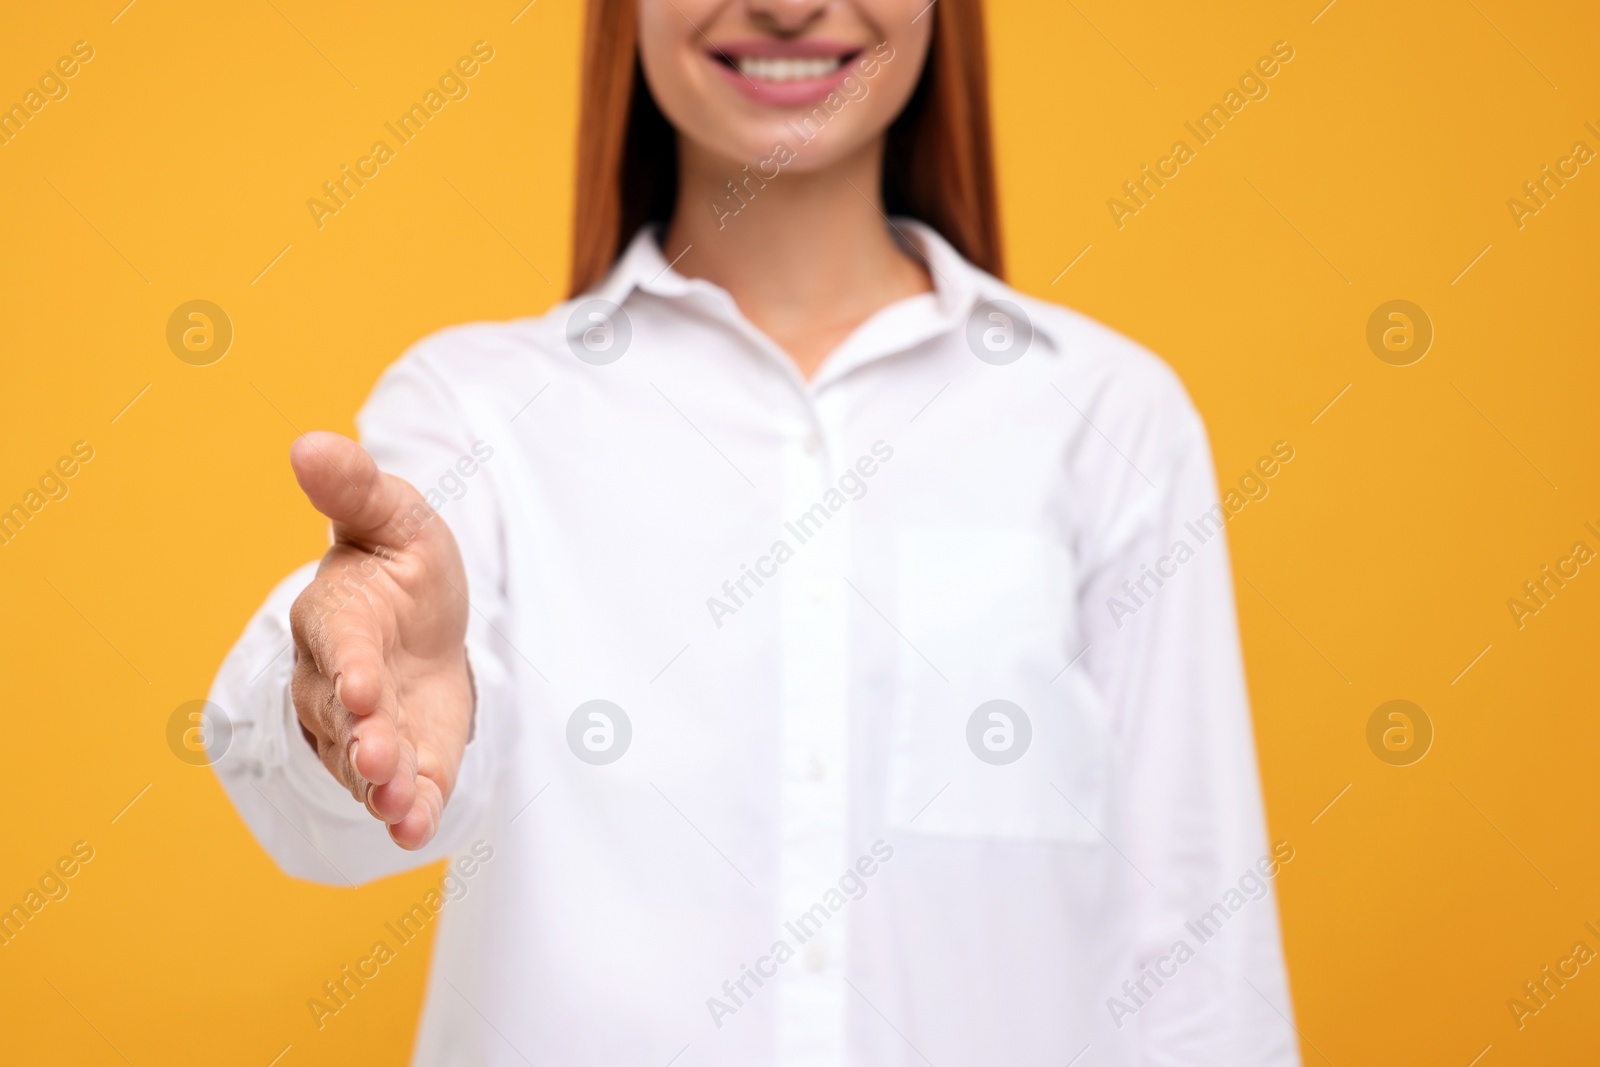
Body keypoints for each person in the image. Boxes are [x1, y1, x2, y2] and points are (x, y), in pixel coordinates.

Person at [207, 0, 1300, 1062]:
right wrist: (342, 706)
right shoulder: (479, 408)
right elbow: (323, 799)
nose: (787, 6)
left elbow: (1200, 942)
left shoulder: (1106, 417)